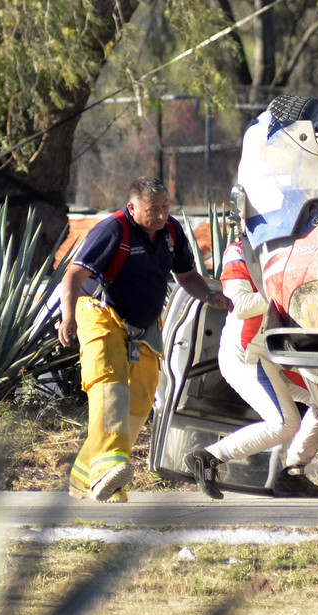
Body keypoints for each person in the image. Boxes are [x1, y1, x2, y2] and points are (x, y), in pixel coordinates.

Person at [59, 177, 231, 503]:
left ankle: (87, 477)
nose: (161, 214)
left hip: (144, 325)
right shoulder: (113, 230)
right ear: (133, 206)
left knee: (141, 397)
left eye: (165, 206)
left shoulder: (171, 233)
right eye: (153, 209)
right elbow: (74, 276)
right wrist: (67, 317)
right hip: (99, 314)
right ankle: (111, 466)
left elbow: (187, 277)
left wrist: (210, 297)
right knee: (110, 384)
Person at [183, 239, 318, 499]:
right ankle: (208, 457)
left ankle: (293, 474)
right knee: (285, 423)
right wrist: (282, 291)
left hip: (276, 354)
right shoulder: (240, 250)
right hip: (247, 356)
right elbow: (238, 305)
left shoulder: (298, 245)